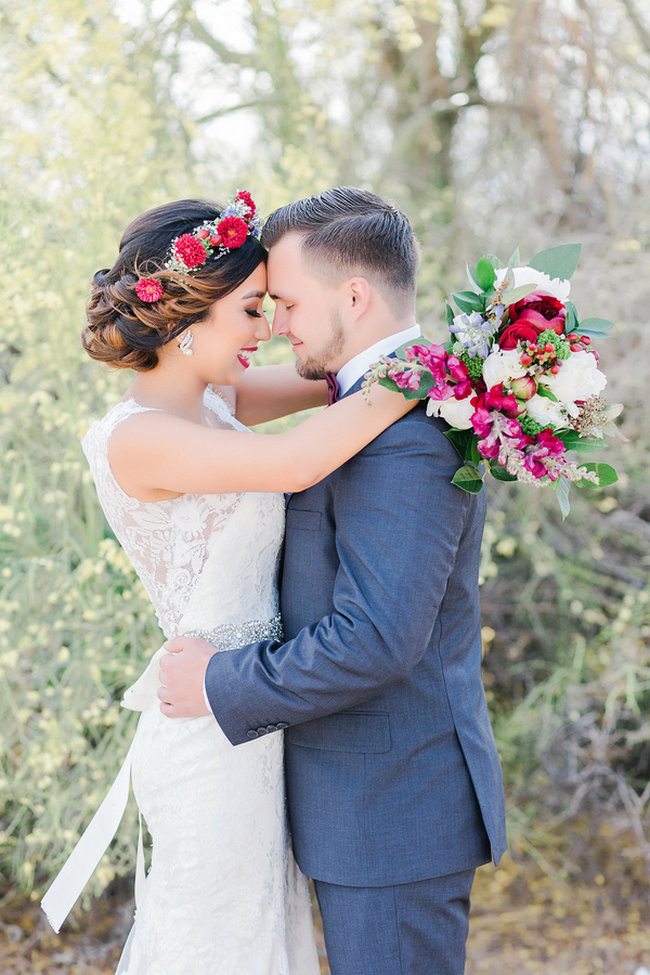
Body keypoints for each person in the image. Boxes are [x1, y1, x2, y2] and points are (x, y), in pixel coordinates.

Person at [40, 192, 416, 974]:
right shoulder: (140, 439)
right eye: (252, 310)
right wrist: (438, 366)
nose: (269, 327)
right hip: (209, 732)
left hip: (253, 710)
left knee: (260, 933)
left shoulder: (215, 401)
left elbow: (334, 382)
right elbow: (295, 461)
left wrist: (391, 348)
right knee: (216, 941)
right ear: (186, 320)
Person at [159, 187, 508, 975]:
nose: (276, 323)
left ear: (354, 294)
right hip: (357, 798)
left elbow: (376, 638)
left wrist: (221, 680)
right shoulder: (375, 400)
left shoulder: (412, 434)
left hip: (395, 806)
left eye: (285, 301)